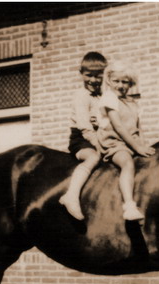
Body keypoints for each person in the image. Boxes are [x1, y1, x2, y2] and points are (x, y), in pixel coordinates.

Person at [97, 60, 155, 221]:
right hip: (114, 143)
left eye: (125, 82)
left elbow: (139, 128)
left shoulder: (132, 103)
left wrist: (143, 146)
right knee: (127, 163)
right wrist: (137, 147)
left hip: (132, 143)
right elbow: (118, 126)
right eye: (116, 81)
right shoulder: (109, 98)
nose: (121, 85)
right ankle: (129, 205)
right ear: (108, 80)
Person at [60, 51, 107, 220]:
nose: (93, 80)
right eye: (89, 75)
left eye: (98, 75)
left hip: (102, 136)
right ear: (81, 74)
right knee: (93, 158)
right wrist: (101, 145)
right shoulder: (81, 96)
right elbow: (85, 127)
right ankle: (71, 196)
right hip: (82, 139)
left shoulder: (104, 96)